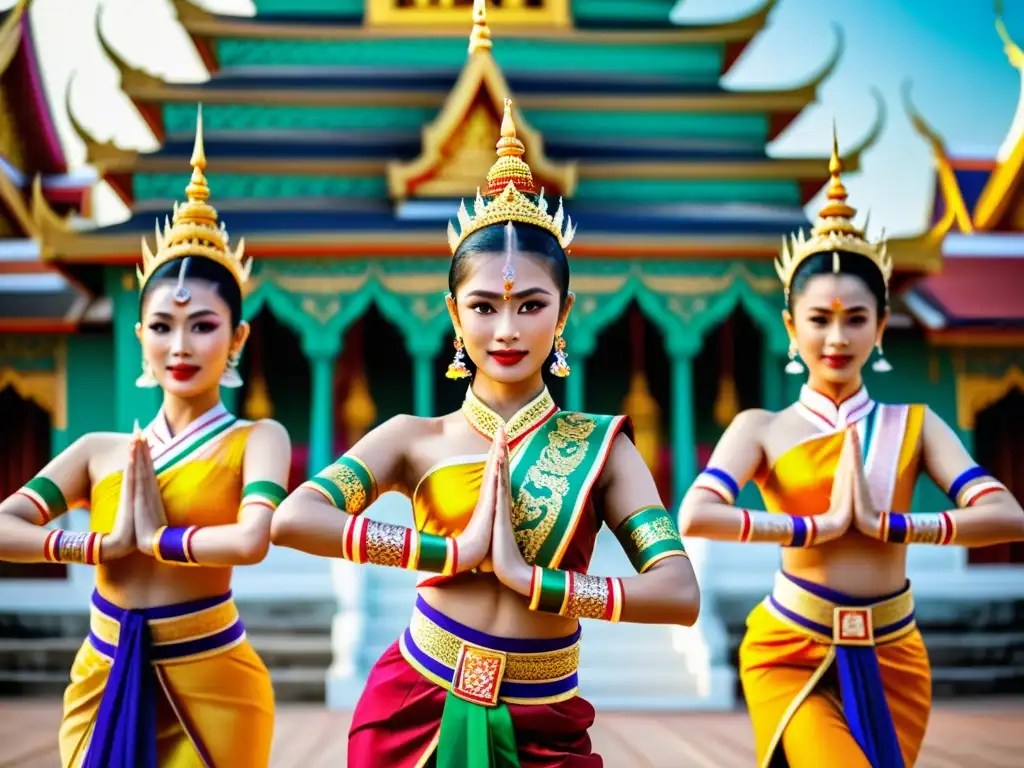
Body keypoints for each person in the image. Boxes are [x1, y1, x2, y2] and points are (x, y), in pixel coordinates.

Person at [271, 97, 700, 767]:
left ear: (564, 314)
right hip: (413, 705)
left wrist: (533, 582)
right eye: (484, 306)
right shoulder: (414, 437)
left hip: (546, 720)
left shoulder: (604, 449)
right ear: (453, 313)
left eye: (531, 305)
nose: (506, 330)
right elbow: (294, 518)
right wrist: (449, 553)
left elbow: (679, 593)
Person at [678, 131, 1024, 768]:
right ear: (790, 325)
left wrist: (892, 525)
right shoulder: (761, 427)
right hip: (792, 646)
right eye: (819, 318)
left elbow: (1006, 516)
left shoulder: (915, 424)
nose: (836, 336)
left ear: (881, 323)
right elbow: (695, 515)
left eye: (856, 318)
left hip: (894, 651)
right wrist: (814, 527)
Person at [0, 108, 291, 767]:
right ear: (139, 337)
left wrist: (157, 541)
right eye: (161, 326)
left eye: (203, 327)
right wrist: (100, 544)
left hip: (213, 678)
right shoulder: (97, 451)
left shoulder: (256, 438)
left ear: (238, 338)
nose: (179, 345)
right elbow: (4, 525)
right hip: (102, 671)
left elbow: (251, 541)